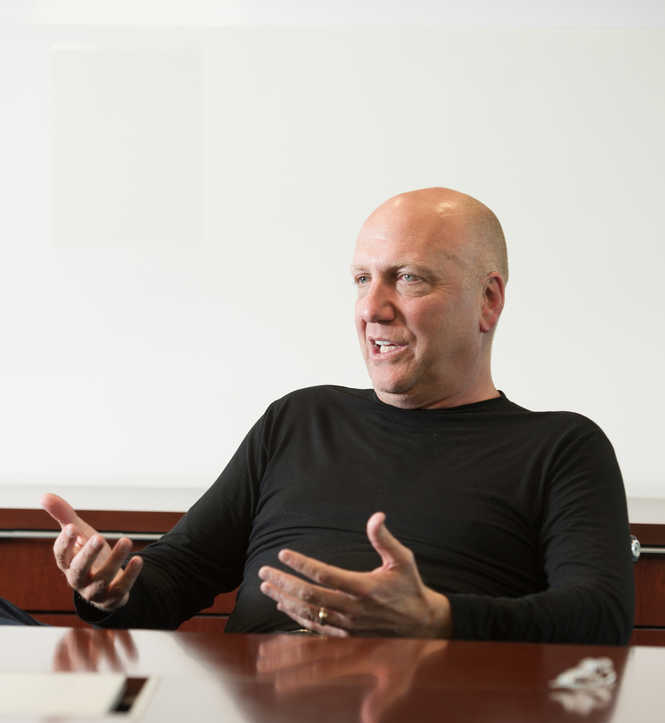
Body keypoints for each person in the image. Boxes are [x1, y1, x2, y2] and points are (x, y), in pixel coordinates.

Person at [40, 187, 634, 643]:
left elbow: (599, 617)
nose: (372, 308)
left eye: (407, 278)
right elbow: (181, 572)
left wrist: (437, 618)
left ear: (489, 299)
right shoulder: (299, 420)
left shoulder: (562, 447)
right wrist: (114, 589)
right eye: (361, 279)